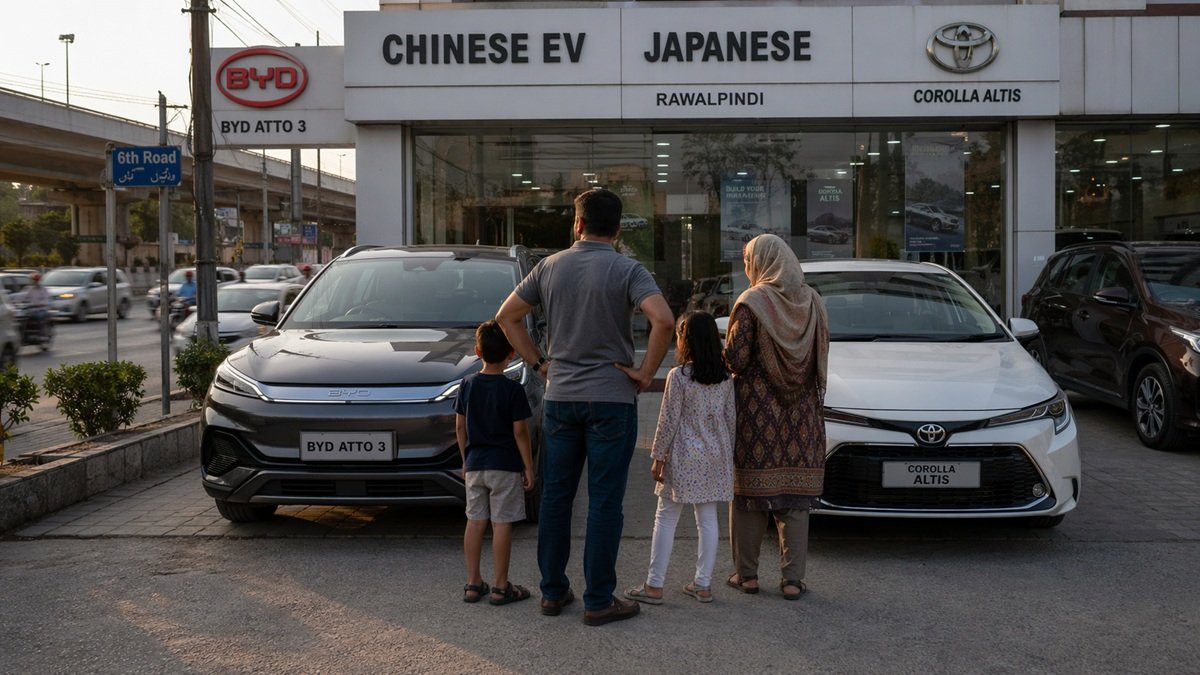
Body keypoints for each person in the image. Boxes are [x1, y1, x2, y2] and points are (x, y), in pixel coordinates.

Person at [495, 187, 675, 626]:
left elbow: (506, 316)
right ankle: (599, 600)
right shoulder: (628, 269)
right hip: (612, 400)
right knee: (604, 501)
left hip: (561, 399)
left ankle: (553, 593)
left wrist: (539, 363)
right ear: (616, 229)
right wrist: (645, 372)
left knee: (557, 498)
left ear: (576, 225)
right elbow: (665, 320)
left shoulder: (548, 267)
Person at [723, 233, 829, 601]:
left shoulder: (752, 303)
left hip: (757, 412)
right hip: (803, 413)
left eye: (749, 260)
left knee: (751, 494)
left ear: (763, 261)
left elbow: (736, 359)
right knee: (795, 499)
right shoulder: (813, 301)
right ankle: (792, 580)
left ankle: (747, 576)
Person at [624, 311, 735, 606]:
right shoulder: (725, 377)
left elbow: (668, 420)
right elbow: (730, 420)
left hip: (683, 457)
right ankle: (703, 585)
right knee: (708, 519)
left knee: (666, 516)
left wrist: (658, 455)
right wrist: (728, 456)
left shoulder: (680, 377)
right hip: (714, 456)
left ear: (687, 340)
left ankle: (655, 585)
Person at [454, 320, 536, 606]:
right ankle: (501, 587)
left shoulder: (467, 385)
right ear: (511, 353)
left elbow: (460, 427)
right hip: (505, 465)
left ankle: (473, 583)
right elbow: (520, 432)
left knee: (475, 522)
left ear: (477, 351)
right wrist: (528, 466)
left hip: (475, 465)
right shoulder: (513, 391)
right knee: (502, 524)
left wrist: (466, 460)